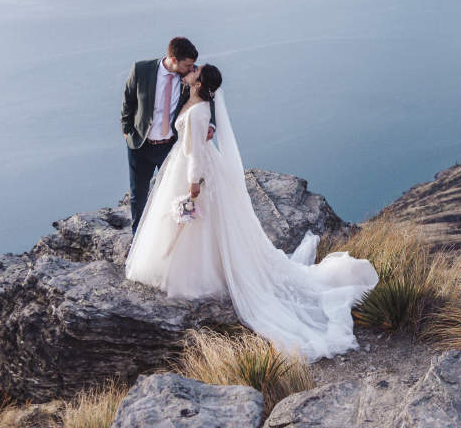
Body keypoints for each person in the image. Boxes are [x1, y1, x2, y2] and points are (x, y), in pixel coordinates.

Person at [124, 63, 379, 361]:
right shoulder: (193, 100)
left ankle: (198, 272)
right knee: (204, 225)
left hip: (195, 170)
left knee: (202, 225)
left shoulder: (198, 110)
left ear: (198, 82)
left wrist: (193, 184)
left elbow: (193, 151)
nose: (190, 71)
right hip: (189, 164)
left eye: (194, 71)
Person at [121, 37, 213, 235]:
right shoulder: (141, 70)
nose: (191, 69)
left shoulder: (191, 75)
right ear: (173, 59)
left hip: (170, 146)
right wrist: (126, 129)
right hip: (140, 146)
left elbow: (208, 95)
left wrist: (210, 124)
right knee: (138, 196)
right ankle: (138, 239)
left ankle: (167, 235)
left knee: (172, 193)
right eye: (187, 65)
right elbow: (128, 100)